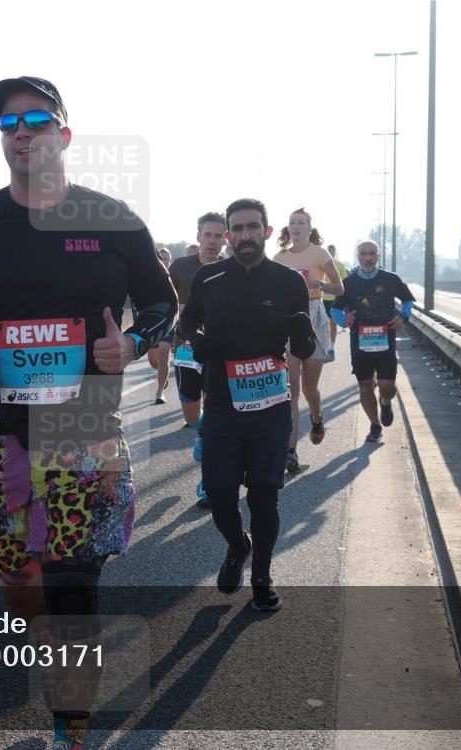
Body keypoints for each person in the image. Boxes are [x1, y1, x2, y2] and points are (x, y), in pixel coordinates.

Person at [0, 76, 176, 750]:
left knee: (72, 589)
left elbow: (160, 303)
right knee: (25, 594)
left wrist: (136, 343)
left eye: (34, 118)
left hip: (87, 434)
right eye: (8, 123)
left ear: (64, 132)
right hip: (3, 440)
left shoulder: (113, 219)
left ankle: (71, 730)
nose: (20, 131)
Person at [180, 198, 315, 612]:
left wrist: (303, 332)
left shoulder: (289, 281)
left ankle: (262, 578)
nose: (243, 236)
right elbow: (188, 320)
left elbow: (305, 345)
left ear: (267, 231)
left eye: (251, 228)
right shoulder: (209, 277)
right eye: (234, 230)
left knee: (263, 497)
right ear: (226, 235)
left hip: (271, 408)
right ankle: (238, 545)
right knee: (219, 496)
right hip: (221, 405)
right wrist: (197, 341)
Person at [272, 208, 343, 473]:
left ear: (309, 227)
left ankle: (316, 416)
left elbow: (339, 288)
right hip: (288, 318)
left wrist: (316, 284)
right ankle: (290, 452)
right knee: (291, 390)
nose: (297, 226)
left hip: (314, 316)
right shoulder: (279, 257)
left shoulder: (319, 254)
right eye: (292, 223)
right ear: (288, 229)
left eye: (301, 222)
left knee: (310, 389)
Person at [168, 212, 226, 507]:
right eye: (209, 235)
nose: (214, 241)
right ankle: (202, 434)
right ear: (199, 235)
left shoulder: (232, 268)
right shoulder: (181, 266)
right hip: (186, 347)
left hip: (220, 351)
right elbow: (165, 302)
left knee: (215, 414)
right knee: (192, 415)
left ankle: (207, 484)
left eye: (219, 235)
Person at [330, 241, 415, 443]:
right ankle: (375, 425)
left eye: (372, 254)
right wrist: (344, 319)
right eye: (364, 254)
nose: (368, 257)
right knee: (365, 385)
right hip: (360, 343)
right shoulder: (348, 283)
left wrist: (403, 317)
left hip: (386, 341)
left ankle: (385, 402)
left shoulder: (391, 279)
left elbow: (408, 300)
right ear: (358, 256)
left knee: (387, 387)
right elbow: (334, 309)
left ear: (378, 256)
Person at [147, 247, 174, 404]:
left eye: (166, 258)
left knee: (164, 354)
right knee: (153, 361)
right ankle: (163, 375)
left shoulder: (174, 275)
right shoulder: (147, 277)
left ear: (169, 261)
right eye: (160, 258)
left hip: (170, 322)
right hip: (152, 323)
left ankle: (159, 392)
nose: (163, 261)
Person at [322, 244, 348, 361]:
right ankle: (324, 348)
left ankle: (331, 348)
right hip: (321, 300)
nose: (330, 253)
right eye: (329, 251)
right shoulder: (321, 264)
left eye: (332, 251)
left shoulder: (340, 266)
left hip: (336, 301)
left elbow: (346, 283)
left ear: (335, 252)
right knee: (323, 326)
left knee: (332, 324)